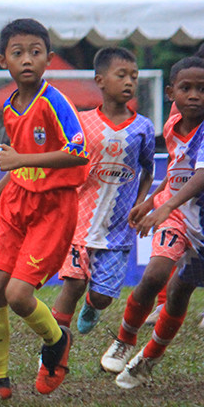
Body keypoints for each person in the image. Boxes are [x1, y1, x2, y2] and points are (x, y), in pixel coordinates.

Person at [0, 18, 88, 400]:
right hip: (16, 202)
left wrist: (19, 161)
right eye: (18, 53)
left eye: (35, 52)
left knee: (19, 296)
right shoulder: (7, 106)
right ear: (4, 61)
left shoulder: (55, 102)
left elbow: (78, 152)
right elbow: (18, 162)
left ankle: (57, 340)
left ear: (49, 58)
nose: (27, 60)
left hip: (53, 207)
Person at [100, 57, 204, 379]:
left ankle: (150, 356)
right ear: (171, 93)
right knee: (155, 276)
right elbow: (177, 174)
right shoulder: (170, 126)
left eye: (203, 89)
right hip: (177, 215)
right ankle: (125, 339)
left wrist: (163, 207)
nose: (194, 95)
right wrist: (153, 200)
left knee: (181, 292)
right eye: (186, 88)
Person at [49, 48, 156, 335]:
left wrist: (142, 201)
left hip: (117, 227)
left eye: (134, 76)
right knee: (73, 284)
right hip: (79, 221)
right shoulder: (81, 122)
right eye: (121, 75)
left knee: (102, 296)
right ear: (100, 80)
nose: (129, 82)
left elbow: (148, 169)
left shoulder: (143, 127)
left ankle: (94, 306)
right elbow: (63, 159)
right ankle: (54, 346)